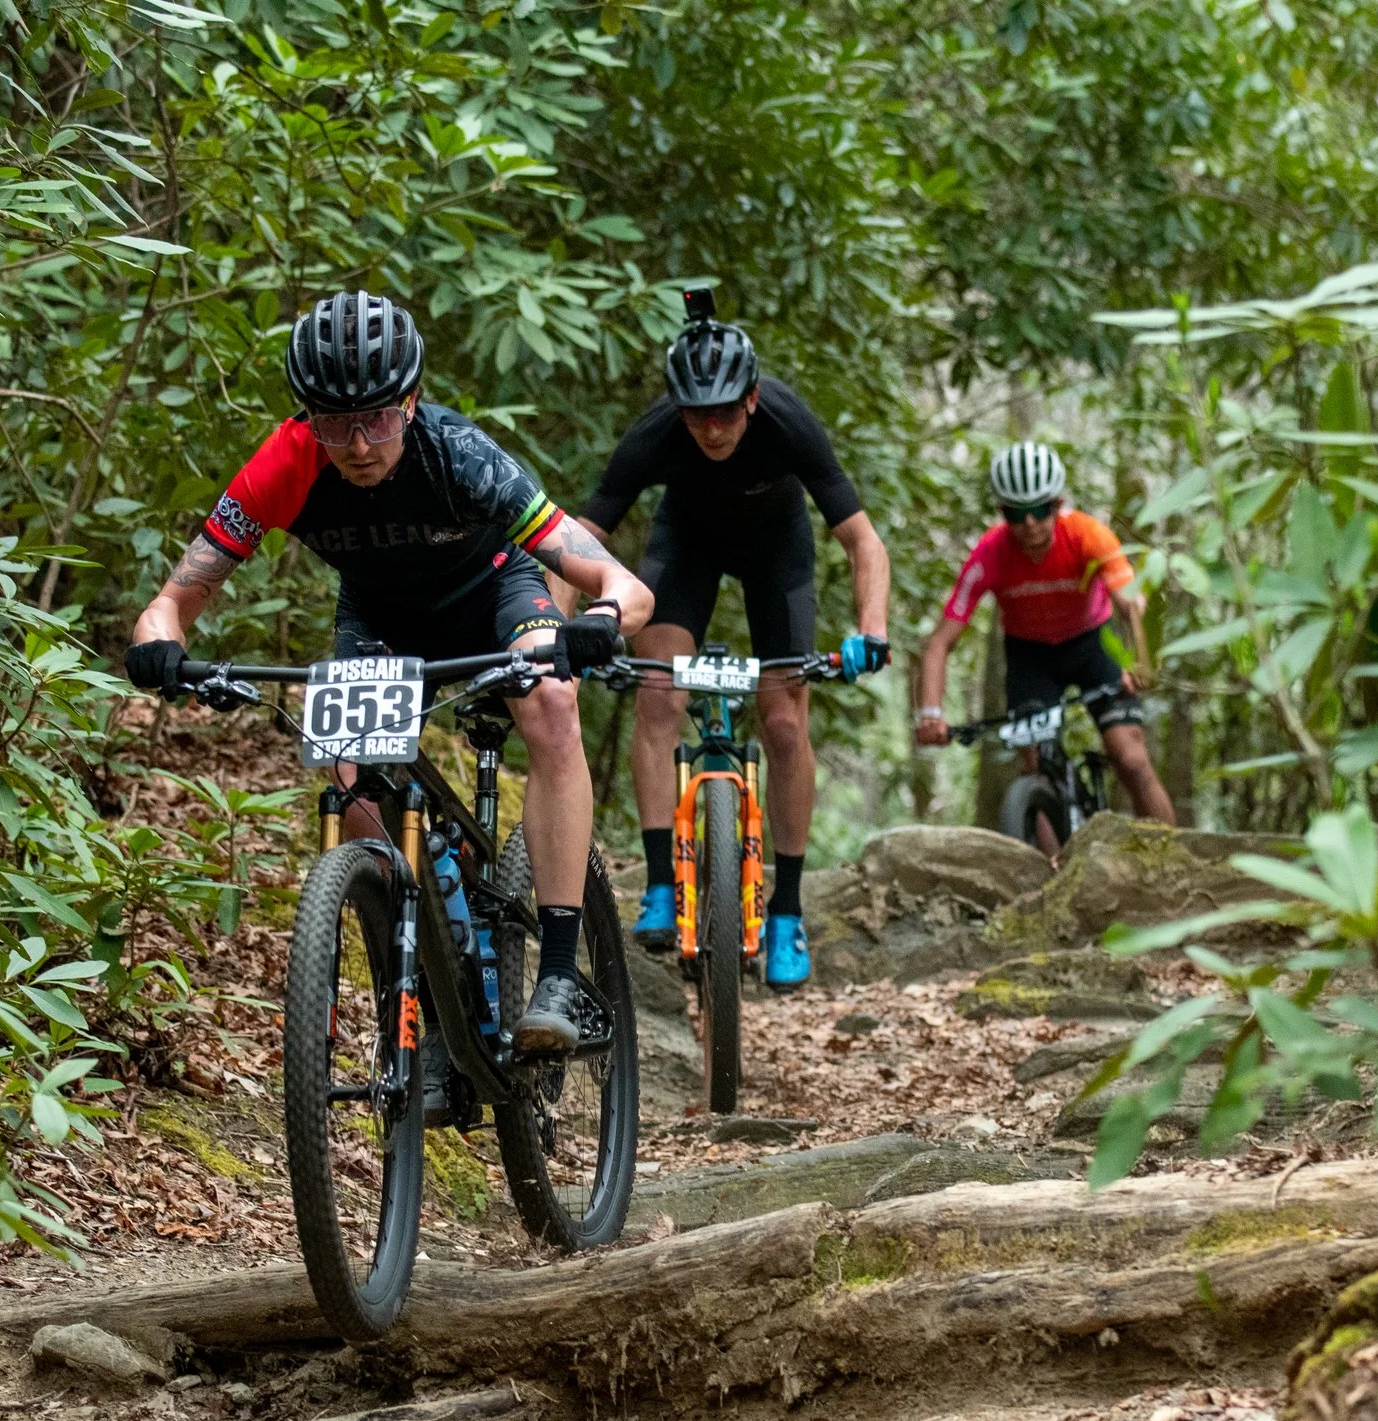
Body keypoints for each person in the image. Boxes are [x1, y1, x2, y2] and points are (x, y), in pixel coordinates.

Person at [126, 290, 653, 1064]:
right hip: (378, 619)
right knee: (351, 782)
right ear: (307, 417)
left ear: (409, 401)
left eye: (376, 416)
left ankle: (559, 972)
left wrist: (599, 620)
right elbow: (171, 602)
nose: (358, 442)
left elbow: (623, 584)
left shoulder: (461, 456)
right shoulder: (285, 463)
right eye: (334, 423)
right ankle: (421, 1006)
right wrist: (161, 646)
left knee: (548, 699)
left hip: (496, 599)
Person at [570, 289, 892, 989]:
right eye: (695, 415)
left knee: (783, 719)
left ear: (750, 399)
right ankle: (661, 885)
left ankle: (785, 910)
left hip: (775, 551)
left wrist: (871, 630)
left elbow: (861, 540)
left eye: (722, 413)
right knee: (658, 693)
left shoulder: (787, 423)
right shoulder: (656, 432)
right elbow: (578, 538)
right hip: (683, 546)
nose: (709, 429)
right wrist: (549, 628)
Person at [914, 440, 1177, 844]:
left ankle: (1174, 863)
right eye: (1017, 514)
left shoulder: (1088, 534)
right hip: (1031, 658)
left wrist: (1142, 663)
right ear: (1003, 513)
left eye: (1041, 510)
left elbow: (1133, 604)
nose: (1031, 523)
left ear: (1058, 504)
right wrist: (930, 713)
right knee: (1035, 771)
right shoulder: (990, 552)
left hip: (1094, 645)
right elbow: (938, 643)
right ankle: (1050, 878)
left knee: (1131, 758)